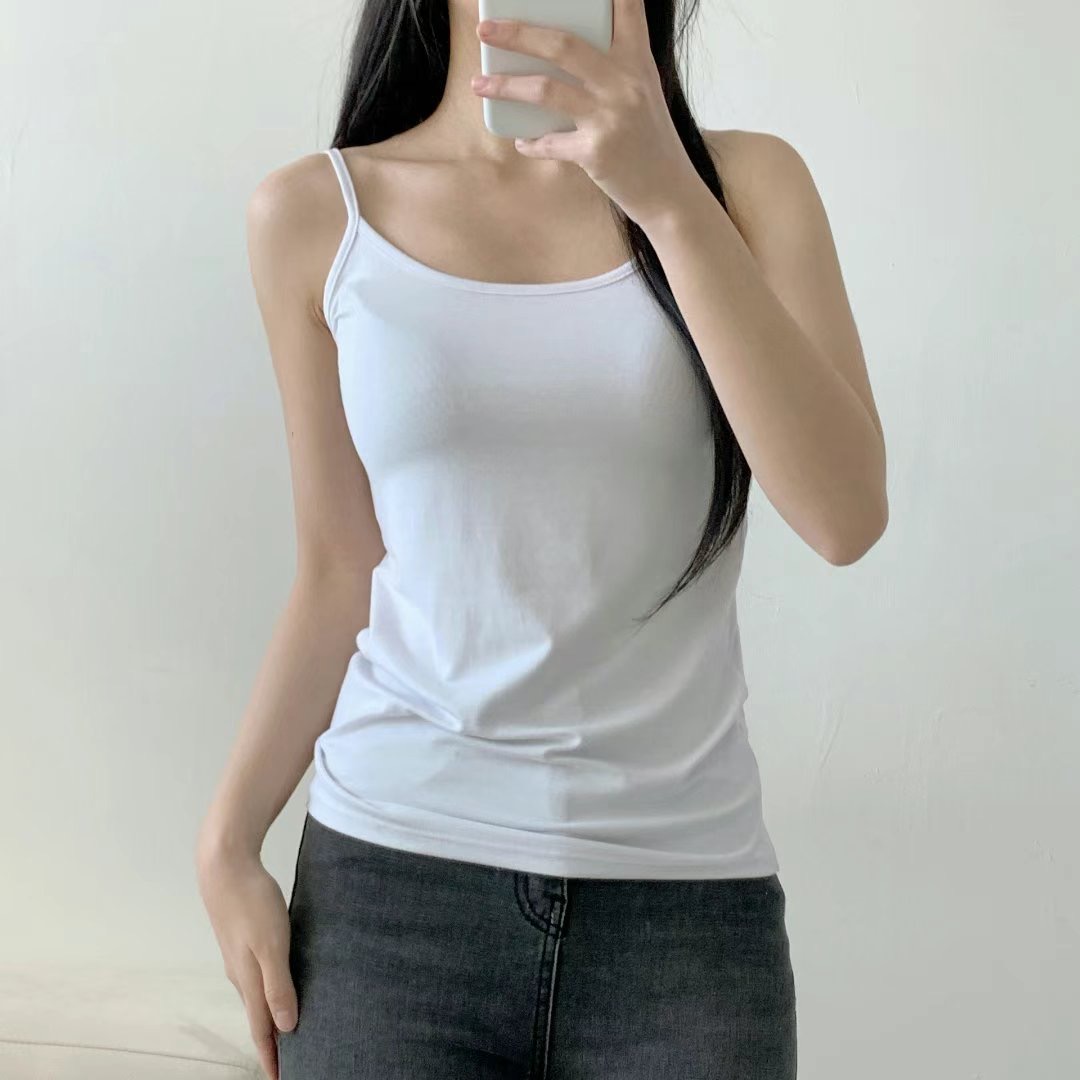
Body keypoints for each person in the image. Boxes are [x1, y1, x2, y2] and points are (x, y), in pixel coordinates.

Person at [195, 1, 888, 1077]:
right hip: (391, 891)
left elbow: (845, 515)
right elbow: (339, 569)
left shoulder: (747, 187)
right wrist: (228, 842)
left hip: (686, 915)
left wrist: (666, 195)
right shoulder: (315, 215)